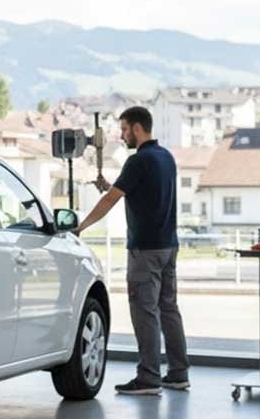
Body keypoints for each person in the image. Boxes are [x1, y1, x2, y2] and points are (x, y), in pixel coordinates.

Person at [75, 106, 190, 395]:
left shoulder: (138, 161)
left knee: (144, 312)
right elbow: (141, 193)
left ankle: (149, 377)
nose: (123, 135)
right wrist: (109, 185)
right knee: (169, 310)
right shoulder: (166, 158)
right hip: (168, 247)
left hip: (144, 251)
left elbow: (110, 201)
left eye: (125, 129)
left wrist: (81, 227)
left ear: (138, 128)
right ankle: (178, 373)